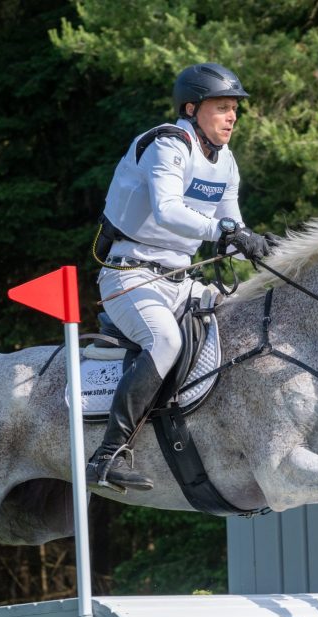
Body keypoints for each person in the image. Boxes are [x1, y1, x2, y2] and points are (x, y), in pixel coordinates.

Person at [85, 63, 272, 491]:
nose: (232, 117)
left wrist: (257, 244)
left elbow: (229, 231)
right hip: (128, 276)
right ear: (192, 108)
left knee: (244, 317)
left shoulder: (225, 162)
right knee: (165, 340)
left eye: (234, 109)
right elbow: (169, 210)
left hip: (181, 281)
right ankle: (108, 453)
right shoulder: (169, 144)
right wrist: (228, 233)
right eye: (222, 107)